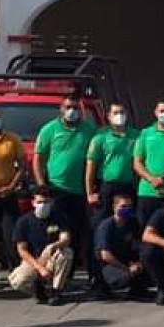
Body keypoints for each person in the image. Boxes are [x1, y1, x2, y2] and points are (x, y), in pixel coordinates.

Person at [34, 92, 96, 278]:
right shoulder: (49, 129)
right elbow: (38, 158)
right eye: (68, 107)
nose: (72, 111)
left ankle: (71, 272)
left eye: (75, 107)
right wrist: (41, 185)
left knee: (77, 233)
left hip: (79, 192)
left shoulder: (89, 130)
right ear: (61, 109)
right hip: (56, 189)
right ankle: (53, 272)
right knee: (56, 234)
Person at [8, 188, 73, 305]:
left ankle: (55, 291)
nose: (43, 205)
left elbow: (66, 238)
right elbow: (22, 250)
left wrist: (54, 246)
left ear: (51, 202)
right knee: (17, 281)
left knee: (67, 253)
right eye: (39, 202)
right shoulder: (23, 221)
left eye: (46, 202)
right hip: (33, 259)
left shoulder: (58, 217)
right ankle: (39, 290)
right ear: (33, 203)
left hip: (52, 256)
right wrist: (39, 267)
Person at [86, 102, 140, 231]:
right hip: (107, 186)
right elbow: (90, 167)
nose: (119, 116)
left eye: (122, 112)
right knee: (101, 221)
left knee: (126, 220)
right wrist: (90, 193)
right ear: (108, 116)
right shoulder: (100, 137)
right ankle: (98, 248)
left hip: (128, 186)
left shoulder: (136, 136)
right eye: (115, 113)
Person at [93, 193, 150, 298]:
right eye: (123, 206)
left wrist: (138, 262)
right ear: (114, 208)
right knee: (126, 276)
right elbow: (105, 255)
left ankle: (137, 290)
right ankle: (102, 285)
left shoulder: (132, 222)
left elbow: (138, 243)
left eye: (129, 206)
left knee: (148, 262)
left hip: (126, 259)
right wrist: (127, 269)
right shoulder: (106, 226)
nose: (126, 209)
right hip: (108, 264)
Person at [0, 106, 26, 273]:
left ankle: (16, 271)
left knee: (10, 235)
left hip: (7, 194)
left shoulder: (13, 140)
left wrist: (11, 186)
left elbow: (22, 166)